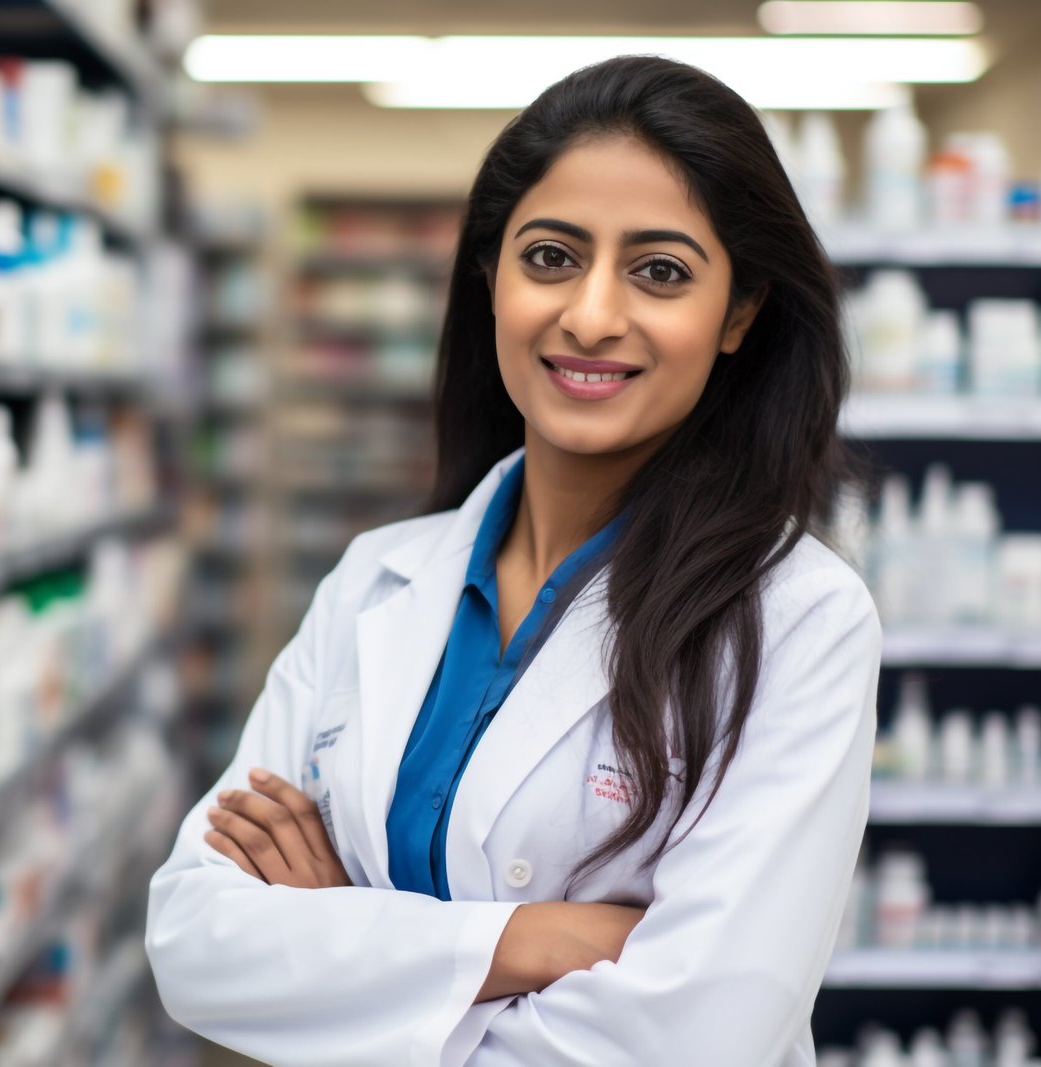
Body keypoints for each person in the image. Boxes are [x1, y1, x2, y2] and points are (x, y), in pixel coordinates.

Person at [147, 54, 880, 1066]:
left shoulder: (798, 619)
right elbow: (195, 942)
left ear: (740, 313)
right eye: (550, 257)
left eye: (660, 272)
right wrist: (528, 941)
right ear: (492, 275)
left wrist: (342, 943)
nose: (591, 315)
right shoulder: (373, 580)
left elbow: (692, 1039)